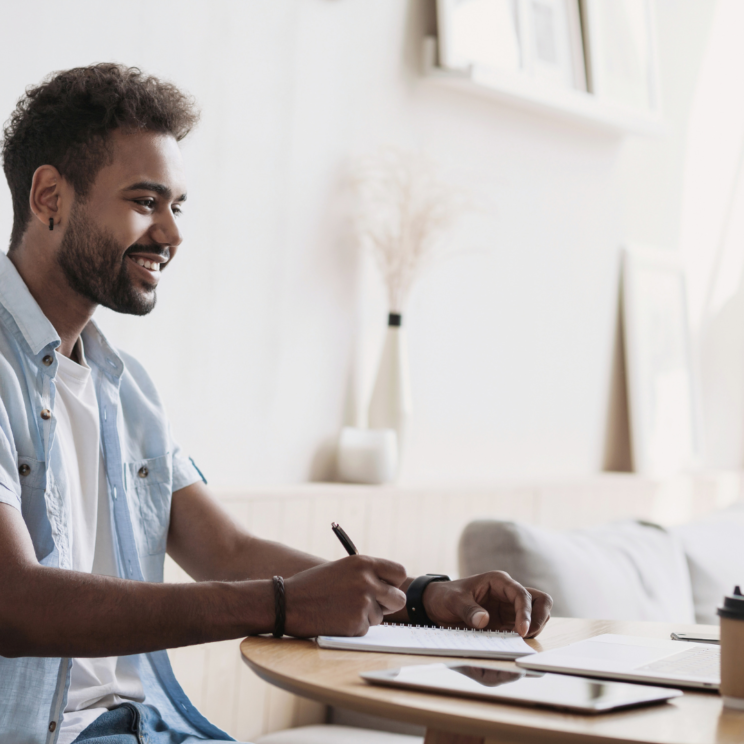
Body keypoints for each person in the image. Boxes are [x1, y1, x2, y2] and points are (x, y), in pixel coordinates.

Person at [0, 64, 553, 744]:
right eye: (146, 202)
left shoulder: (124, 385)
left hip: (146, 728)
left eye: (177, 207)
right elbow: (14, 603)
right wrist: (283, 605)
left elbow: (226, 548)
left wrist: (424, 597)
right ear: (50, 195)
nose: (171, 235)